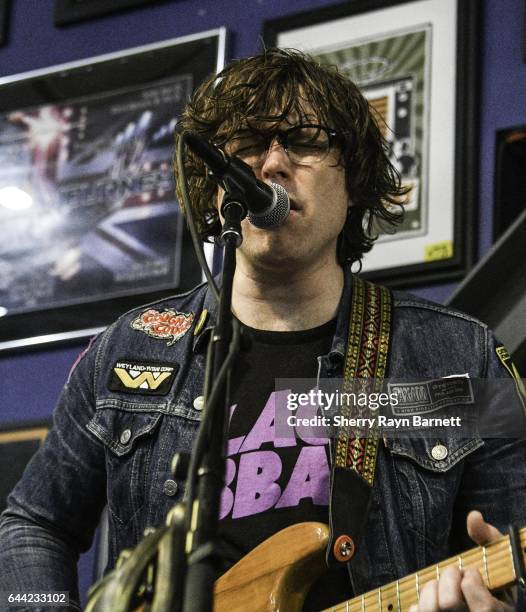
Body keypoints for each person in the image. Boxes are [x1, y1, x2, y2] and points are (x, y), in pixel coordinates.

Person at [1, 48, 525, 612]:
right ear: (214, 186)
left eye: (302, 141)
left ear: (354, 182)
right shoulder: (130, 349)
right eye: (247, 144)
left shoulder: (458, 358)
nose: (270, 164)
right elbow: (33, 523)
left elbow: (508, 556)